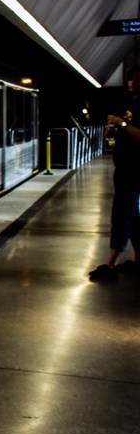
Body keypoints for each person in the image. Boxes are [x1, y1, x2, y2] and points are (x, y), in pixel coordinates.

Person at [90, 65, 140, 280]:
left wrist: (122, 123)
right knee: (134, 217)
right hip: (124, 167)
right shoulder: (131, 104)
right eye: (130, 79)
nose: (132, 83)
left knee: (121, 214)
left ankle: (111, 263)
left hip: (136, 169)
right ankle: (139, 260)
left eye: (137, 79)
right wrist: (116, 130)